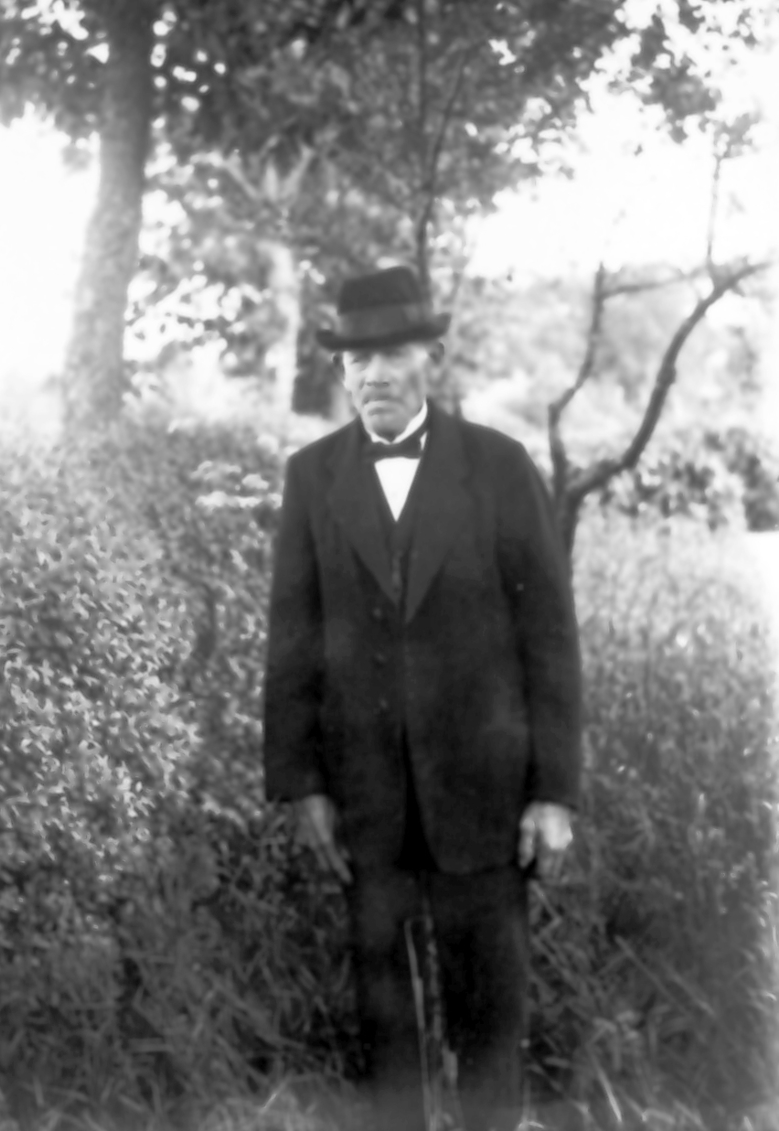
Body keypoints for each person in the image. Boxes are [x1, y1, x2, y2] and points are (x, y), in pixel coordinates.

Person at [263, 265, 582, 1131]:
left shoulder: (499, 467)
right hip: (366, 804)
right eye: (355, 359)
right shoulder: (313, 476)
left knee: (491, 1017)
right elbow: (292, 640)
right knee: (384, 1026)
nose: (372, 375)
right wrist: (304, 786)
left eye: (391, 354)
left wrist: (554, 793)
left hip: (486, 798)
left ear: (431, 358)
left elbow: (551, 639)